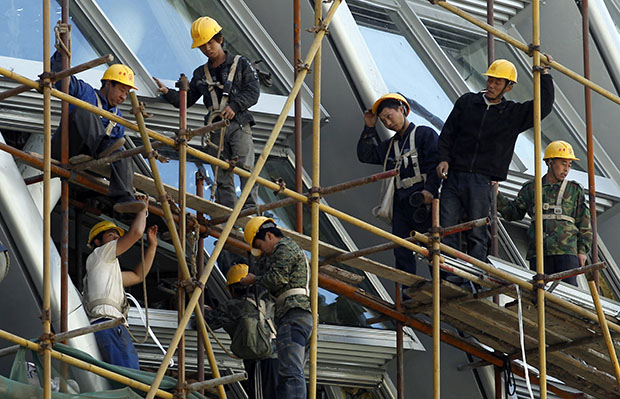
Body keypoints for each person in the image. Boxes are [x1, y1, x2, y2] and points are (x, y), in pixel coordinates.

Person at [436, 59, 555, 263]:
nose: (491, 85)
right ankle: (449, 276)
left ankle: (475, 277)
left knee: (477, 232)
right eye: (490, 80)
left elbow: (542, 107)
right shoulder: (467, 103)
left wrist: (544, 74)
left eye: (497, 82)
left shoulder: (512, 114)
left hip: (482, 181)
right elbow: (447, 133)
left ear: (509, 87)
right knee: (446, 228)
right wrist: (443, 159)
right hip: (454, 176)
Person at [153, 16, 260, 209]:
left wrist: (235, 106)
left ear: (219, 39)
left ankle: (250, 211)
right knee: (220, 174)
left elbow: (253, 92)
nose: (207, 49)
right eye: (203, 46)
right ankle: (226, 212)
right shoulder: (200, 74)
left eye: (210, 43)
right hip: (214, 128)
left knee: (245, 168)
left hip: (238, 124)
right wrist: (168, 93)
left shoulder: (241, 64)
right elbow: (187, 100)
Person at [50, 51, 146, 214]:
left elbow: (117, 147)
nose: (123, 96)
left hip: (90, 157)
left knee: (123, 153)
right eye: (121, 90)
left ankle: (123, 197)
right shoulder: (85, 92)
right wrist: (61, 55)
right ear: (108, 84)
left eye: (126, 93)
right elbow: (62, 80)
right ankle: (102, 145)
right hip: (65, 148)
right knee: (84, 111)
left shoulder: (118, 118)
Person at [357, 93, 440, 275]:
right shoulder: (389, 146)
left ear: (401, 110)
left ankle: (442, 286)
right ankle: (407, 293)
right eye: (383, 120)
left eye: (389, 116)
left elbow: (435, 164)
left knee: (432, 247)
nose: (387, 123)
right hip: (401, 204)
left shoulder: (424, 135)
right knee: (401, 248)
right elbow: (365, 155)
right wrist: (369, 128)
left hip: (422, 201)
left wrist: (430, 191)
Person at [496, 141, 592, 286]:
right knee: (542, 294)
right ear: (550, 162)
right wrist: (496, 195)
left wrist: (582, 251)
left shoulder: (574, 190)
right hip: (539, 253)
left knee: (568, 296)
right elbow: (513, 213)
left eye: (569, 165)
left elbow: (584, 223)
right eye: (563, 163)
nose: (566, 169)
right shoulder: (532, 188)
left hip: (566, 251)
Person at [239, 217, 312, 399]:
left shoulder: (285, 248)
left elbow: (277, 279)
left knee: (290, 372)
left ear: (269, 236)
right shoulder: (286, 249)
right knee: (289, 370)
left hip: (293, 314)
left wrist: (254, 279)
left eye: (260, 245)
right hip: (296, 315)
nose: (261, 251)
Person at [82, 195, 158, 369]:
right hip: (108, 325)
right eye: (111, 235)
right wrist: (142, 210)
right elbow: (136, 233)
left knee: (123, 377)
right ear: (97, 241)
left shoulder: (106, 269)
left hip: (107, 326)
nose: (116, 238)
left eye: (117, 235)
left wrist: (152, 246)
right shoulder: (100, 254)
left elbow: (139, 276)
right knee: (128, 378)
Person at [204, 264, 278, 399]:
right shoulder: (264, 302)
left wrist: (203, 309)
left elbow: (207, 322)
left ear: (233, 289)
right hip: (279, 360)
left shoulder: (235, 305)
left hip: (261, 362)